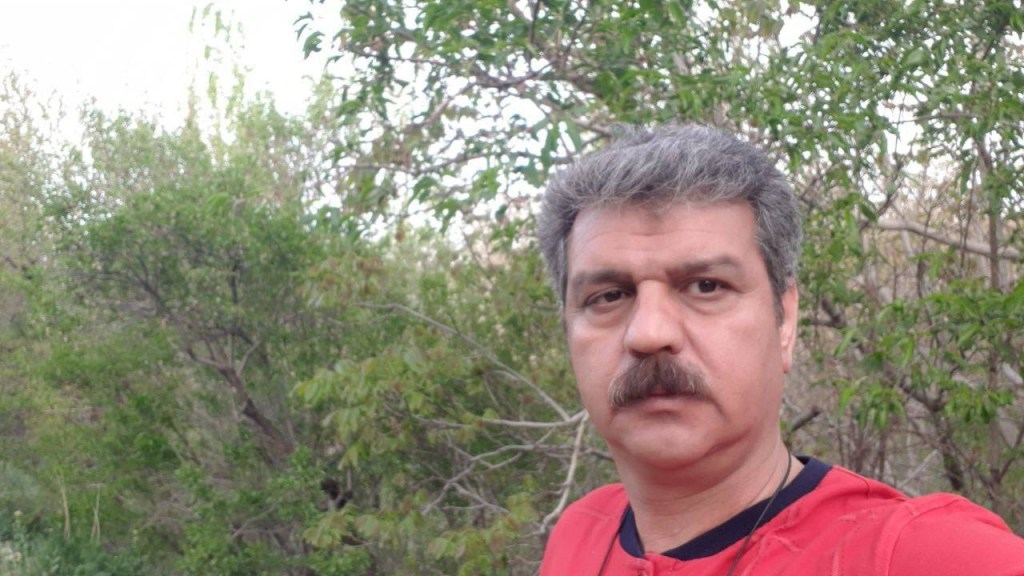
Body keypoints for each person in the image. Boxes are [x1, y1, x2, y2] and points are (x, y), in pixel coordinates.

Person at [534, 124, 1024, 575]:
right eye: (609, 296)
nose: (649, 333)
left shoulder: (916, 555)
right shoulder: (580, 533)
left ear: (784, 320)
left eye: (706, 286)